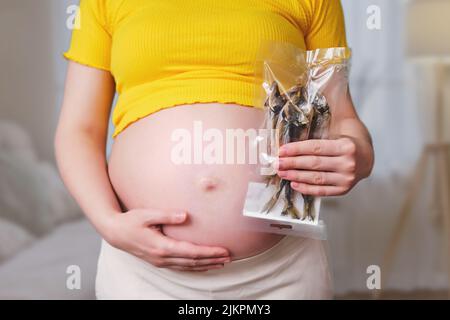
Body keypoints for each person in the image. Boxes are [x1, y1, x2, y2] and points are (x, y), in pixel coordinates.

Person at [55, 0, 374, 299]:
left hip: (283, 270)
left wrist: (359, 153)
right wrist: (108, 223)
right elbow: (78, 131)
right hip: (143, 275)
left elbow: (342, 117)